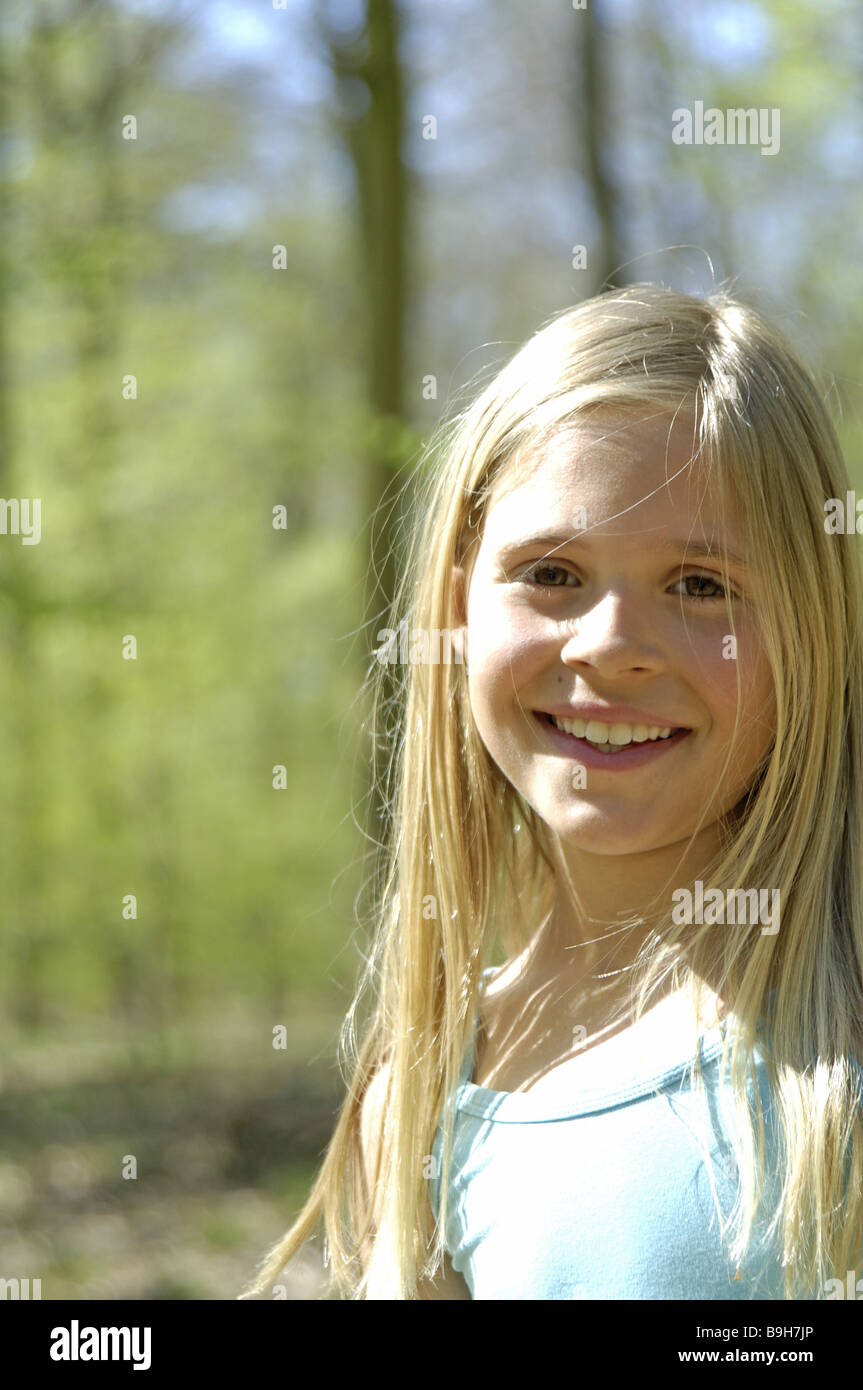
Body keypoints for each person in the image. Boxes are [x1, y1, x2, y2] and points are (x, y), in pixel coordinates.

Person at [240, 283, 863, 1301]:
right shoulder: (419, 1092)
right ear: (456, 611)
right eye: (552, 573)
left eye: (699, 584)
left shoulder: (830, 1063)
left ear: (813, 628)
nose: (611, 644)